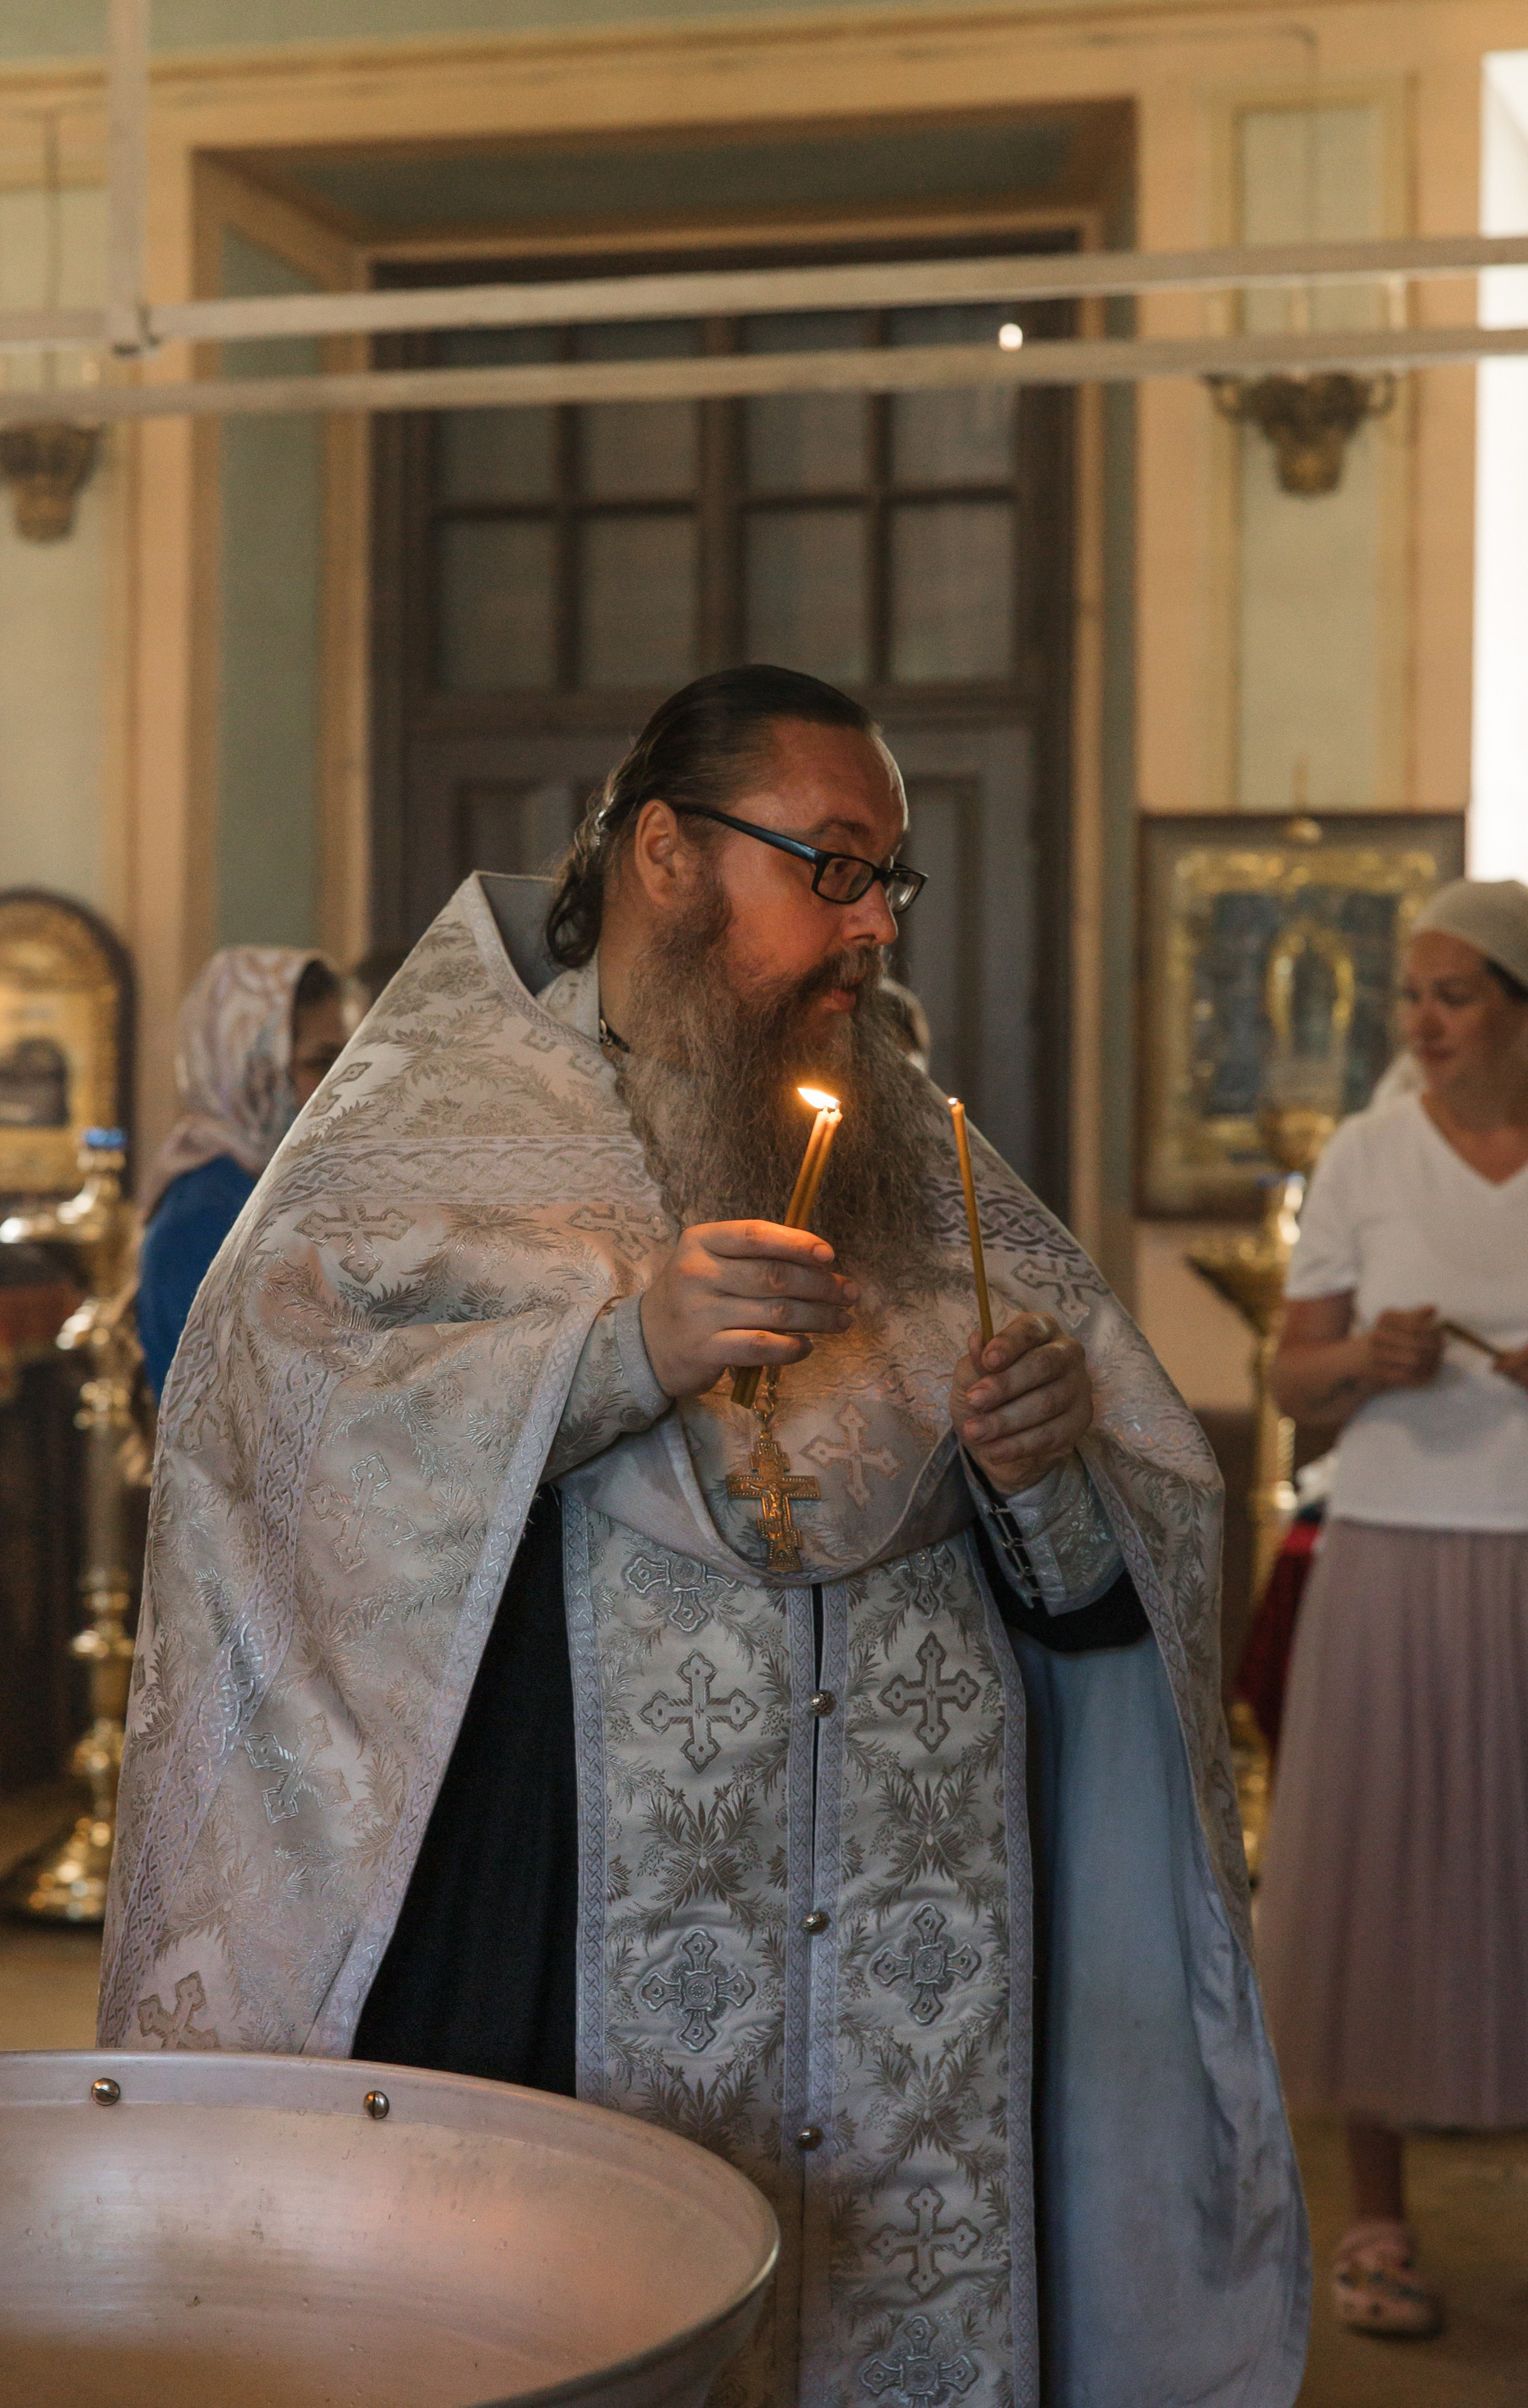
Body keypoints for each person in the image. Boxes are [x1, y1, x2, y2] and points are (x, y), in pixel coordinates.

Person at [101, 667, 1307, 2407]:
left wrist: (1046, 1478)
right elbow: (285, 1445)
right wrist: (622, 1358)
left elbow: (1101, 1568)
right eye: (833, 865)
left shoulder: (909, 1149)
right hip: (552, 1937)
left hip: (923, 1984)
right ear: (668, 850)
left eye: (890, 879)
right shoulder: (429, 1133)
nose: (874, 924)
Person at [1260, 877, 1528, 2340]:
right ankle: (1374, 2216)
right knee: (1389, 1871)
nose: (1419, 1020)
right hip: (1390, 1548)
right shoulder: (1365, 1153)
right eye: (1409, 994)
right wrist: (1367, 1353)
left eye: (1452, 992)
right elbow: (1293, 1379)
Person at [135, 947, 344, 1397]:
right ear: (253, 1066)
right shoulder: (203, 1214)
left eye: (346, 1060)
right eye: (321, 1062)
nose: (343, 1083)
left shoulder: (262, 1188)